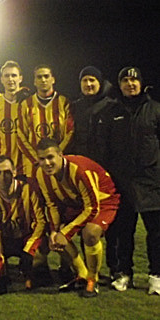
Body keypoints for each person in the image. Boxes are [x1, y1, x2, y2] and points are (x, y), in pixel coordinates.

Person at [99, 67, 160, 295]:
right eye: (125, 80)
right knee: (124, 232)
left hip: (151, 181)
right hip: (122, 182)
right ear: (120, 85)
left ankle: (156, 276)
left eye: (134, 80)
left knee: (156, 233)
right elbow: (105, 147)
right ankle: (124, 273)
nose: (130, 84)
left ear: (141, 83)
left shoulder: (155, 110)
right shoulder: (112, 111)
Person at [35, 138, 119, 297]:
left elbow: (93, 207)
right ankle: (81, 274)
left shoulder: (79, 170)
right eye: (41, 159)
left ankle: (92, 280)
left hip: (102, 200)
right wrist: (54, 230)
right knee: (55, 237)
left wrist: (65, 233)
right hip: (76, 203)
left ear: (61, 155)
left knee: (90, 233)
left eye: (50, 157)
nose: (46, 163)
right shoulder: (41, 173)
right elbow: (52, 204)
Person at [0, 155, 46, 294]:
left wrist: (29, 250)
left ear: (14, 172)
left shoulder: (28, 190)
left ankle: (37, 270)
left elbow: (41, 222)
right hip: (5, 240)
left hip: (25, 239)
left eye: (7, 172)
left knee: (42, 250)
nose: (3, 176)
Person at [17, 65, 73, 177]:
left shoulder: (63, 102)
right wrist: (37, 158)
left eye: (46, 76)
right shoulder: (25, 104)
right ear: (34, 81)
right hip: (35, 165)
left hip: (59, 163)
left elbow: (70, 132)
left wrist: (56, 155)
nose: (43, 80)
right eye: (39, 77)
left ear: (53, 79)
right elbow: (20, 135)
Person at [66, 66, 115, 164]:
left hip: (106, 165)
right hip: (81, 164)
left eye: (92, 80)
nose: (88, 84)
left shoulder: (111, 106)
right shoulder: (74, 107)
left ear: (99, 83)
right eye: (84, 80)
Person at [0, 61, 31, 175]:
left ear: (20, 78)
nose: (10, 79)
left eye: (14, 75)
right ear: (1, 79)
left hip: (27, 165)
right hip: (4, 166)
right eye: (6, 76)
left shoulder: (29, 101)